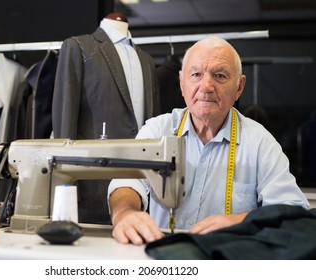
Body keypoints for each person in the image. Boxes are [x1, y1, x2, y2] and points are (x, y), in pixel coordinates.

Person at [107, 36, 310, 245]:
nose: (206, 86)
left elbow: (293, 211)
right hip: (165, 256)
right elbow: (127, 181)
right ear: (182, 83)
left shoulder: (260, 143)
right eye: (196, 74)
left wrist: (242, 221)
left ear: (239, 87)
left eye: (220, 75)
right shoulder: (158, 130)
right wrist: (125, 212)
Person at [52, 13, 160, 224]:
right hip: (92, 186)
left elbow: (152, 124)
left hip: (141, 187)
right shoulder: (78, 47)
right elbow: (64, 124)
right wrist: (67, 189)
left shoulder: (146, 60)